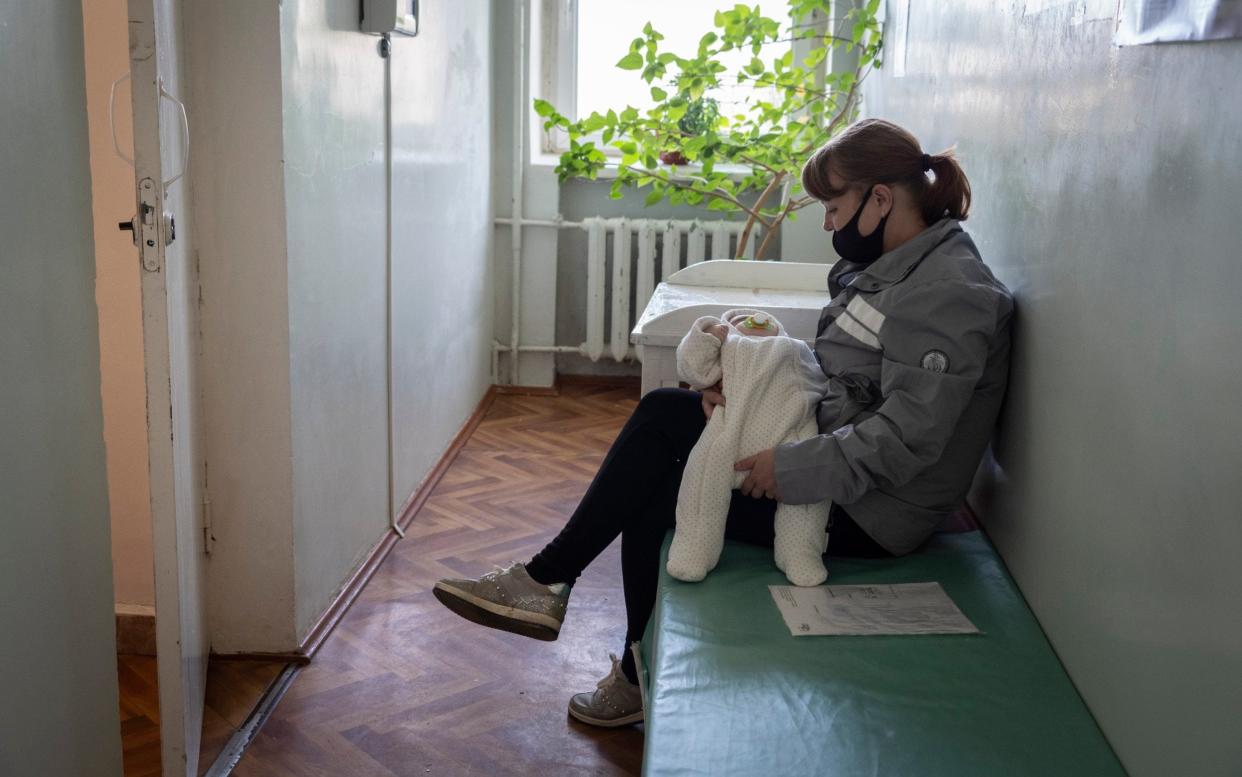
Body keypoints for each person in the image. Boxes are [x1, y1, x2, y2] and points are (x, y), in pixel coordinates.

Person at [432, 118, 1014, 729]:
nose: (827, 225)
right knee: (666, 411)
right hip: (828, 446)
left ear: (881, 198)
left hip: (874, 508)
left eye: (832, 207)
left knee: (657, 494)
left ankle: (602, 642)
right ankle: (551, 585)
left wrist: (787, 468)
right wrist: (745, 381)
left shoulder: (949, 293)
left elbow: (907, 439)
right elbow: (849, 378)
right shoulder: (905, 266)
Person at [667, 308, 833, 587]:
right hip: (728, 437)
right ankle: (694, 549)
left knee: (808, 493)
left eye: (765, 320)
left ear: (781, 330)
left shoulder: (795, 349)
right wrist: (708, 336)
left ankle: (800, 553)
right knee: (701, 486)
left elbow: (820, 383)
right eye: (738, 320)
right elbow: (692, 368)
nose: (754, 320)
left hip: (790, 434)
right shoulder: (729, 348)